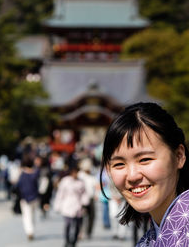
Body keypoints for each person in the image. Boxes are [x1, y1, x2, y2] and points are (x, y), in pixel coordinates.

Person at [100, 102, 189, 246]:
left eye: (145, 159)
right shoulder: (149, 240)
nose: (132, 175)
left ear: (179, 156)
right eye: (119, 164)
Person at [53, 164, 89, 247]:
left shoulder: (81, 182)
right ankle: (67, 240)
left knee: (77, 225)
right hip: (67, 205)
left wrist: (85, 203)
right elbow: (60, 194)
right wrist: (57, 205)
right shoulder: (65, 181)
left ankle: (74, 240)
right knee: (68, 224)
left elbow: (84, 194)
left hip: (78, 206)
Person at [17, 154, 40, 240]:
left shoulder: (22, 174)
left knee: (27, 215)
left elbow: (18, 185)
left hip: (25, 198)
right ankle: (32, 230)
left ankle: (29, 231)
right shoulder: (35, 173)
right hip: (34, 197)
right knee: (32, 214)